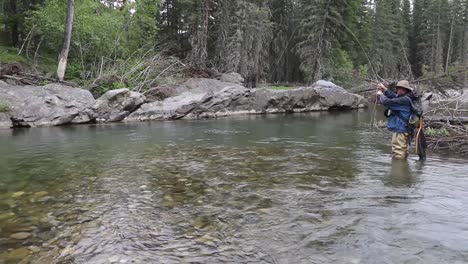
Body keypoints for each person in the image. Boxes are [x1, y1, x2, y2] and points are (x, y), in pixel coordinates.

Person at [377, 80, 416, 160]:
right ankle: (404, 169)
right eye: (398, 88)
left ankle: (398, 169)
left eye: (400, 89)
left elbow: (386, 102)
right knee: (403, 151)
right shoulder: (406, 98)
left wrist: (381, 95)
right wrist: (384, 89)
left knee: (398, 152)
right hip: (405, 129)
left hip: (400, 130)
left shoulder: (403, 100)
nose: (398, 90)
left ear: (405, 90)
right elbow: (394, 96)